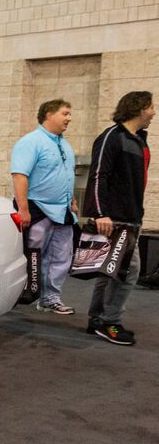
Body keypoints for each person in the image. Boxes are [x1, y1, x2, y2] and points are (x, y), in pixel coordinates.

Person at [82, 90, 153, 345]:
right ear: (140, 108)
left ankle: (97, 320)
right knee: (130, 271)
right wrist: (100, 213)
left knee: (108, 272)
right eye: (152, 107)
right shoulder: (111, 137)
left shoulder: (140, 141)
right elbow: (99, 175)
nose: (154, 112)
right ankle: (111, 322)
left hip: (132, 218)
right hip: (114, 220)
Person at [10, 99, 78, 314]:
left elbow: (66, 175)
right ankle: (15, 296)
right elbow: (20, 175)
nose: (69, 118)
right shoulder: (31, 142)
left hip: (63, 211)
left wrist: (72, 199)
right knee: (31, 257)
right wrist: (23, 210)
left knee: (61, 257)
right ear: (49, 114)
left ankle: (50, 298)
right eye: (65, 113)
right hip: (37, 210)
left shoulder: (64, 143)